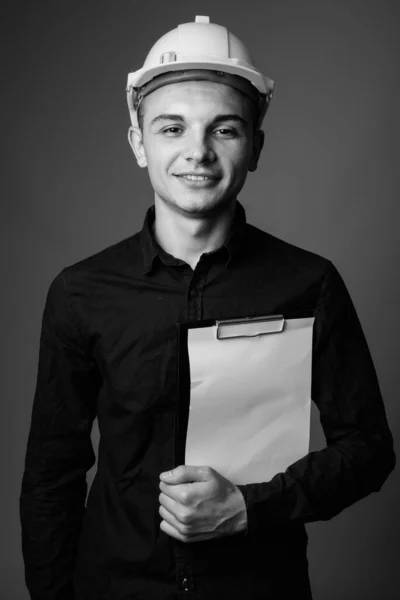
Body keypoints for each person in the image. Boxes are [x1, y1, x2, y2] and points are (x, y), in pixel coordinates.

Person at [20, 15, 395, 600]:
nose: (197, 152)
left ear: (256, 147)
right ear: (139, 143)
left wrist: (250, 507)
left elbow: (369, 451)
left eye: (224, 130)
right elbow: (52, 478)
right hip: (117, 587)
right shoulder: (79, 293)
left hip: (258, 587)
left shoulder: (310, 283)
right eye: (172, 128)